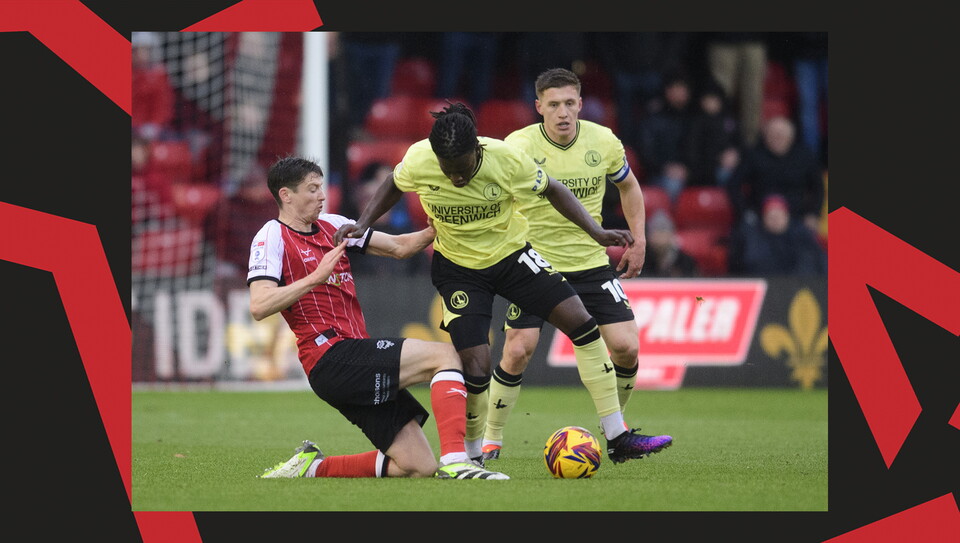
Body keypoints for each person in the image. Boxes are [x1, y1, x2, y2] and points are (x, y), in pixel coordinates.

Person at [335, 100, 672, 467]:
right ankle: (473, 454)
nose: (456, 179)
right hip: (459, 269)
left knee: (583, 323)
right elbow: (392, 184)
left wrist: (596, 231)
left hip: (512, 258)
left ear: (476, 151)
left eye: (462, 169)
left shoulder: (504, 159)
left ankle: (617, 435)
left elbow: (554, 190)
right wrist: (363, 222)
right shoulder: (421, 158)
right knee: (476, 366)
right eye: (448, 172)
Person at [249, 156, 508, 480]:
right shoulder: (271, 235)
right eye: (312, 189)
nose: (322, 195)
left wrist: (444, 223)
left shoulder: (333, 225)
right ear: (286, 195)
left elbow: (400, 247)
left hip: (353, 355)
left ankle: (311, 467)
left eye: (321, 187)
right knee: (446, 355)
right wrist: (315, 278)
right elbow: (259, 305)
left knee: (418, 466)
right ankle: (458, 460)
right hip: (328, 356)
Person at [476, 68, 673, 461]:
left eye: (569, 103)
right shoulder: (518, 146)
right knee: (517, 350)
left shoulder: (603, 140)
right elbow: (495, 196)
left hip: (590, 264)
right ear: (539, 108)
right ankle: (490, 440)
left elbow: (629, 185)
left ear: (581, 104)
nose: (563, 112)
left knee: (626, 348)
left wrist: (640, 240)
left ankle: (614, 428)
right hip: (534, 264)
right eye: (554, 105)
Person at [727, 116, 824, 232]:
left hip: (796, 218)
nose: (777, 138)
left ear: (791, 137)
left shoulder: (804, 156)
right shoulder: (753, 155)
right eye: (773, 134)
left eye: (782, 135)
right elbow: (733, 184)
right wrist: (746, 212)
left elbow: (818, 188)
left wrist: (813, 214)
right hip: (759, 219)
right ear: (766, 136)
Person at [728, 193, 827, 276]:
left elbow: (819, 263)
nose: (775, 220)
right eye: (771, 216)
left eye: (779, 215)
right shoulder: (751, 238)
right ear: (763, 218)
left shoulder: (802, 235)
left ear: (787, 216)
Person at [637, 71, 695, 202]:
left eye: (683, 88)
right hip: (660, 175)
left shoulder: (695, 118)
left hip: (692, 173)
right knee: (672, 183)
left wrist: (688, 170)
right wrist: (665, 168)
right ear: (667, 91)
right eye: (676, 88)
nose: (680, 92)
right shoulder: (653, 118)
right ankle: (668, 221)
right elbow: (645, 153)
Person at [641, 210, 701, 277]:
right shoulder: (641, 260)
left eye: (664, 231)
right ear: (649, 237)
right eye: (656, 232)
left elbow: (694, 283)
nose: (660, 237)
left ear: (672, 235)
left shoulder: (685, 261)